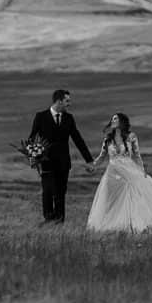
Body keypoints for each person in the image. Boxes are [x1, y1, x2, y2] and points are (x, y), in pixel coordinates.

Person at [86, 112, 152, 233]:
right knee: (112, 200)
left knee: (131, 195)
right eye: (112, 119)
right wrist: (94, 166)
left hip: (128, 170)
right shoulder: (107, 139)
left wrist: (142, 171)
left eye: (116, 119)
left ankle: (132, 224)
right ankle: (112, 225)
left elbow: (137, 155)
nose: (113, 121)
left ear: (122, 122)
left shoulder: (131, 137)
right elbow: (102, 156)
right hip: (112, 173)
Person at [28, 89, 94, 224]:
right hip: (46, 162)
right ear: (59, 101)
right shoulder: (40, 117)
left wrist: (89, 160)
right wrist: (33, 156)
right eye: (67, 101)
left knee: (60, 193)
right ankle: (48, 218)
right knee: (47, 191)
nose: (69, 104)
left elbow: (78, 139)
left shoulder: (69, 118)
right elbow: (31, 138)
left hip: (63, 163)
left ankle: (59, 221)